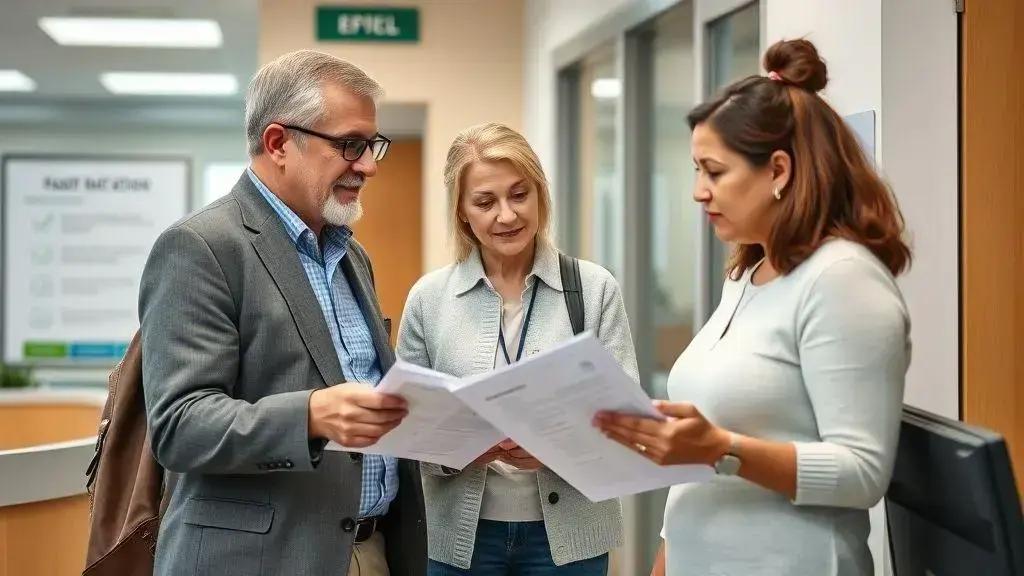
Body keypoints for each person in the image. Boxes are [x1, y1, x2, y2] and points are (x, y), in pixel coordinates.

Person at [594, 39, 912, 576]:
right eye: (696, 170)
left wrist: (721, 449)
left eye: (714, 172)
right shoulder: (747, 276)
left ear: (778, 171)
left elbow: (863, 473)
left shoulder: (842, 280)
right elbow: (700, 465)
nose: (698, 192)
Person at [139, 50, 426, 576]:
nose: (369, 165)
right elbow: (179, 426)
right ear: (278, 144)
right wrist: (310, 415)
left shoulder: (351, 256)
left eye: (372, 145)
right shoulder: (200, 247)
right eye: (351, 145)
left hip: (370, 550)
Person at [396, 123, 638, 575]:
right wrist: (457, 450)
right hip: (460, 541)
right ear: (462, 211)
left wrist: (556, 448)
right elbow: (406, 428)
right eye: (485, 202)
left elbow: (627, 421)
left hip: (570, 540)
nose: (506, 215)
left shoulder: (594, 288)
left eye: (519, 195)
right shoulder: (429, 299)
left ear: (540, 195)